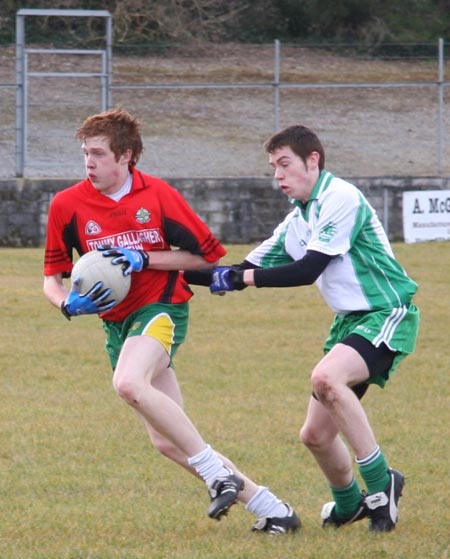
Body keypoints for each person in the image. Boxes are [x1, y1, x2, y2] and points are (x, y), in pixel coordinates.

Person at [42, 107, 300, 535]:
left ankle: (217, 475)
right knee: (167, 440)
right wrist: (67, 304)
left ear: (126, 156)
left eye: (99, 153)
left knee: (128, 384)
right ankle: (273, 509)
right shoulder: (67, 205)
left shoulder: (158, 195)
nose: (89, 162)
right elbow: (51, 278)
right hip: (118, 325)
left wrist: (143, 257)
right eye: (85, 153)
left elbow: (207, 256)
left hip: (162, 309)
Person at [193, 124, 420, 532]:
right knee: (315, 435)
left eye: (284, 164)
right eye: (272, 167)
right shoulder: (296, 220)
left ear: (312, 161)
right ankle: (348, 503)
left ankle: (381, 483)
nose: (277, 175)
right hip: (349, 322)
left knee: (326, 378)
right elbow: (238, 270)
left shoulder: (340, 197)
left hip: (386, 311)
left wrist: (238, 280)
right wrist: (147, 269)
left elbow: (306, 269)